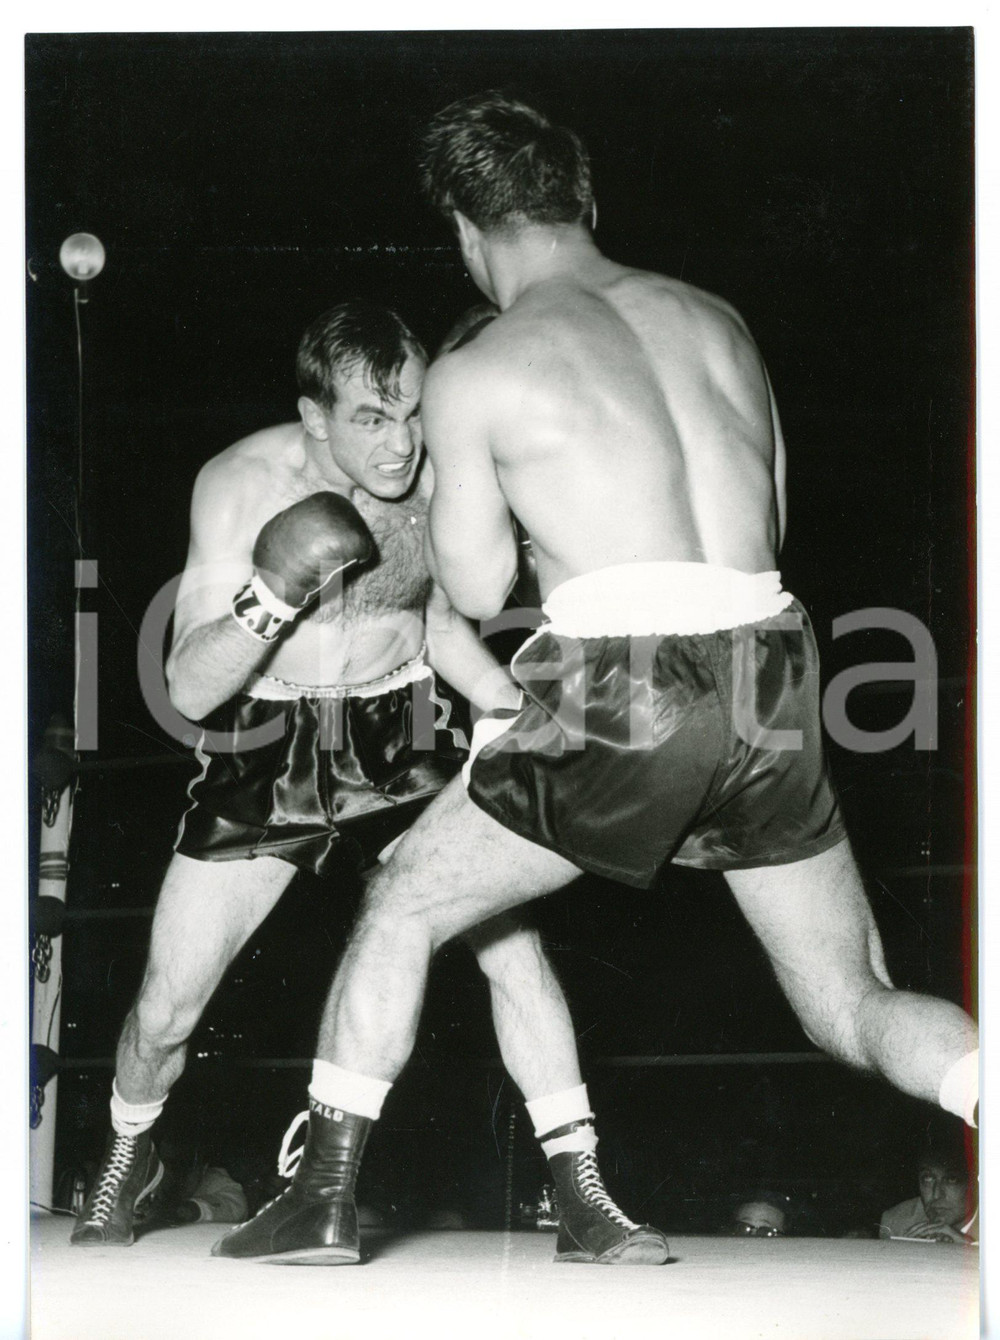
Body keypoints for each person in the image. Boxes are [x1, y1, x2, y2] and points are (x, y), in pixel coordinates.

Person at [214, 92, 978, 1267]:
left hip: (629, 679)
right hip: (773, 669)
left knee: (405, 901)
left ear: (469, 234)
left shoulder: (484, 367)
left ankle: (320, 1200)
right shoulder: (718, 320)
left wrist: (530, 517)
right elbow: (768, 516)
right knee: (853, 998)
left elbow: (467, 590)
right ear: (585, 202)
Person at [71, 299, 663, 1265]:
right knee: (171, 1001)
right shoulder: (240, 482)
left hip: (405, 727)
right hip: (268, 737)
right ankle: (128, 1151)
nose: (400, 446)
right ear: (315, 419)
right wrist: (272, 596)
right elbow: (186, 684)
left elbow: (434, 622)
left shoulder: (443, 475)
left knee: (510, 946)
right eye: (371, 421)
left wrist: (511, 709)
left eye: (413, 414)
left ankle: (580, 1187)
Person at [879, 1139, 977, 1244]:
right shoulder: (896, 1221)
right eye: (928, 1178)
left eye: (952, 1179)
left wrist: (971, 1249)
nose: (936, 1195)